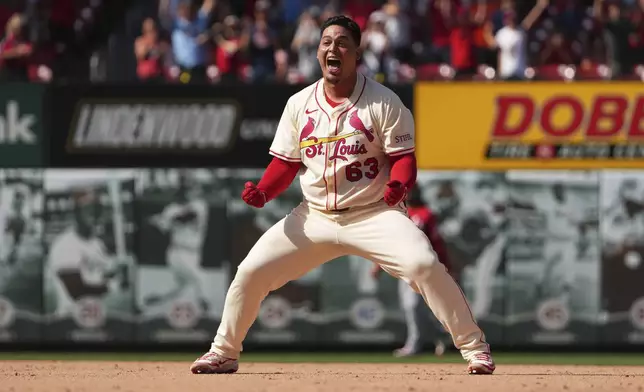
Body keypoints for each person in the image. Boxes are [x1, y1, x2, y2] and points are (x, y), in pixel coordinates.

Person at [190, 15, 494, 376]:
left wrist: (399, 184)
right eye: (326, 42)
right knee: (251, 271)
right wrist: (264, 190)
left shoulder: (383, 101)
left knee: (423, 265)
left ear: (357, 53)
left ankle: (474, 348)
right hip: (314, 217)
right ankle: (223, 351)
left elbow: (403, 159)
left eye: (342, 43)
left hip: (375, 213)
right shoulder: (299, 104)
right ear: (318, 51)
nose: (333, 48)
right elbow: (285, 163)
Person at [371, 184, 452, 357]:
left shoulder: (426, 214)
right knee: (414, 308)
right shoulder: (399, 214)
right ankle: (441, 334)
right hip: (404, 268)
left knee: (415, 306)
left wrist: (445, 265)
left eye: (412, 191)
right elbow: (390, 244)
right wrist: (378, 265)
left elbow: (437, 242)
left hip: (423, 266)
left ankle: (415, 344)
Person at [46, 190, 124, 318]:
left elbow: (99, 272)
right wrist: (112, 286)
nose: (95, 215)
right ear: (76, 213)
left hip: (95, 315)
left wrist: (115, 269)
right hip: (70, 319)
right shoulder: (65, 245)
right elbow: (77, 291)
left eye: (98, 210)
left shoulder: (96, 243)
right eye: (88, 210)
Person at [144, 173, 210, 312]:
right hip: (179, 252)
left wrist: (163, 219)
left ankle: (154, 299)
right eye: (187, 188)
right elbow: (164, 228)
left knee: (177, 287)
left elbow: (186, 217)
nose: (191, 191)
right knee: (201, 279)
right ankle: (206, 310)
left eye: (192, 188)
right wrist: (159, 222)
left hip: (194, 254)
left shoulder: (199, 205)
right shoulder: (171, 209)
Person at [484, 0, 548, 80]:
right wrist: (487, 32)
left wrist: (540, 6)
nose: (511, 20)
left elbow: (530, 19)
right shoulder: (502, 34)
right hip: (505, 73)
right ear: (505, 20)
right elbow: (493, 45)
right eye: (509, 18)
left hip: (520, 72)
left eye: (513, 18)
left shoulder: (520, 32)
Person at [0, 13, 33, 82]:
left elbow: (29, 51)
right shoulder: (9, 40)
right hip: (8, 71)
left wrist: (23, 51)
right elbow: (2, 54)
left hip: (22, 71)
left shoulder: (25, 39)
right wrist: (16, 52)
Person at [134, 18, 168, 83]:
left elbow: (164, 58)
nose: (153, 34)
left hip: (157, 76)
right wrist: (150, 47)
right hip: (144, 77)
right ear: (144, 31)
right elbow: (140, 55)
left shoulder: (160, 44)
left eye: (154, 30)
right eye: (150, 31)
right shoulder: (140, 41)